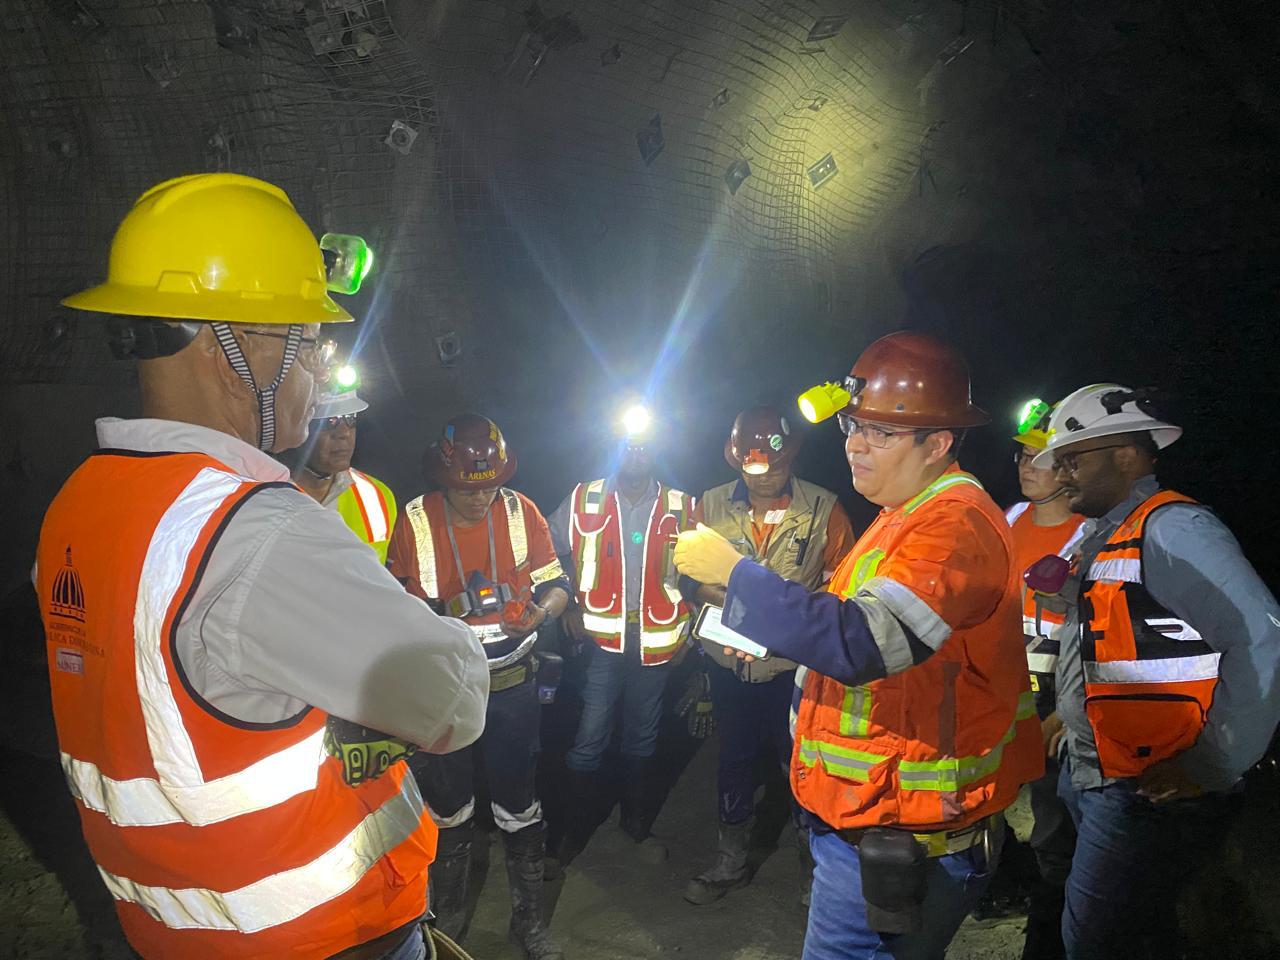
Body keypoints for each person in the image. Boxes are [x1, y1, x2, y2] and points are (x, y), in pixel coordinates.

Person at [34, 173, 488, 960]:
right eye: (307, 341)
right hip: (319, 936)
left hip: (170, 931)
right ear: (230, 347)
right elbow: (454, 703)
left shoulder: (77, 505)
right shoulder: (256, 531)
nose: (317, 369)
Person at [675, 331, 1043, 960]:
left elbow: (861, 640)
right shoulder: (902, 514)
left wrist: (736, 574)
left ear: (938, 443)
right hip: (876, 818)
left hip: (905, 838)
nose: (855, 443)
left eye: (881, 432)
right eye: (852, 425)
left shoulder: (953, 524)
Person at [1030, 383, 1280, 960]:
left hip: (1148, 790)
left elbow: (1261, 637)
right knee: (1135, 933)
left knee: (1096, 943)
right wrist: (1070, 716)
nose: (1061, 475)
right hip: (1100, 772)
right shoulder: (1108, 534)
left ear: (1125, 454)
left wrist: (1213, 762)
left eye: (1072, 460)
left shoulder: (1172, 528)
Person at [386, 413, 571, 960]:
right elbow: (394, 601)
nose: (479, 496)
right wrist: (442, 614)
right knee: (448, 807)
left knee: (519, 804)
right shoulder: (416, 519)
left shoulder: (521, 511)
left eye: (489, 485)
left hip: (512, 686)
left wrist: (539, 613)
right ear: (443, 478)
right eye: (468, 488)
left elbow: (556, 584)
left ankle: (528, 922)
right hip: (444, 689)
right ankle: (448, 921)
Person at [683, 405, 855, 907]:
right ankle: (730, 861)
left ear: (791, 457)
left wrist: (782, 615)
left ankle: (816, 871)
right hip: (729, 663)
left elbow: (842, 587)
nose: (761, 477)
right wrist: (723, 598)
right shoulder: (710, 505)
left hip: (793, 667)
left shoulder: (823, 508)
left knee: (799, 761)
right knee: (734, 758)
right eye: (750, 467)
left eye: (772, 468)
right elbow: (685, 575)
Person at [548, 404, 698, 864]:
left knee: (642, 736)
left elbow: (703, 577)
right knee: (589, 735)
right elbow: (546, 552)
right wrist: (569, 602)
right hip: (600, 644)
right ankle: (571, 832)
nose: (636, 453)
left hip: (657, 642)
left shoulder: (682, 506)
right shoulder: (584, 498)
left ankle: (635, 823)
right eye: (628, 445)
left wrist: (690, 637)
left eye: (644, 445)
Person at [1004, 400, 1085, 960]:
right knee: (987, 793)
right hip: (1006, 683)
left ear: (1069, 466)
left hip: (1058, 691)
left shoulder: (1092, 533)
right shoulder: (1009, 519)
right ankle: (1006, 883)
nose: (1025, 466)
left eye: (1040, 457)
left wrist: (1065, 711)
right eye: (1021, 455)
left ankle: (1052, 933)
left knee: (1054, 816)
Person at [293, 375, 397, 562]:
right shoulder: (264, 492)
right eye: (329, 421)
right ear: (297, 426)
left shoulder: (377, 497)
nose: (344, 433)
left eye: (350, 419)